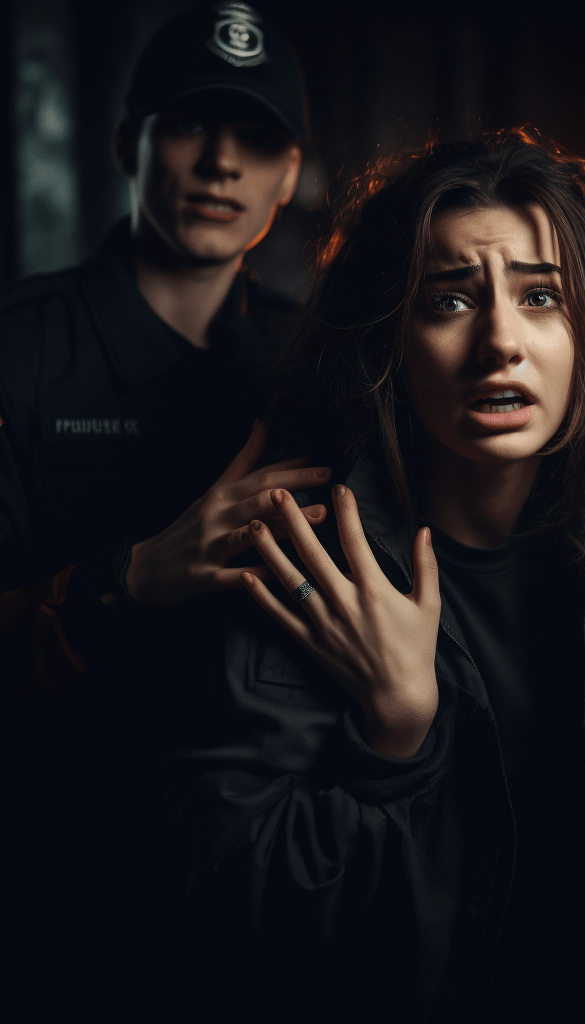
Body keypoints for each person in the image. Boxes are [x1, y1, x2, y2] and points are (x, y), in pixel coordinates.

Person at [165, 131, 585, 1022]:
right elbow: (235, 884)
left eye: (541, 297)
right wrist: (394, 736)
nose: (501, 341)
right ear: (390, 336)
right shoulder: (307, 544)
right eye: (450, 300)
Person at [0, 4, 328, 1017]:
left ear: (290, 172)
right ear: (126, 143)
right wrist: (130, 575)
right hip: (53, 887)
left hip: (252, 902)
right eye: (190, 122)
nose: (222, 163)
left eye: (258, 137)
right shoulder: (19, 353)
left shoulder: (319, 365)